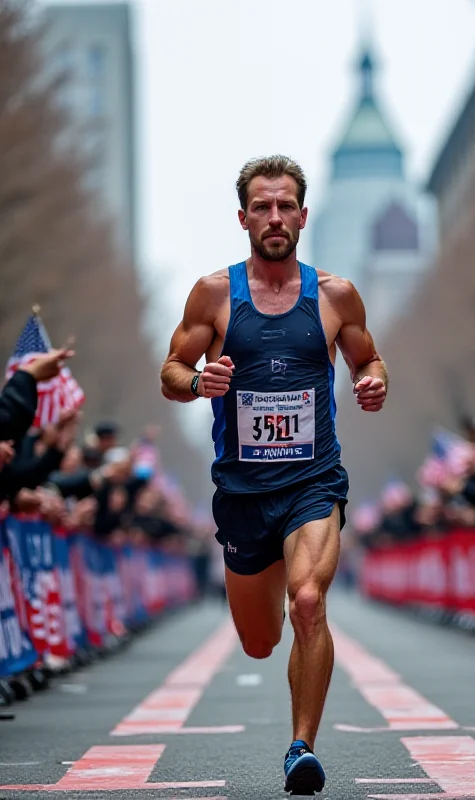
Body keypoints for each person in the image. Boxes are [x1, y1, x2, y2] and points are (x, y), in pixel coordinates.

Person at [160, 155, 387, 795]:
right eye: (263, 206)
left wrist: (373, 383)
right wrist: (198, 380)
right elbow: (170, 370)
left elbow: (371, 360)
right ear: (243, 218)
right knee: (261, 642)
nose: (276, 217)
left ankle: (301, 748)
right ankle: (279, 644)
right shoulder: (213, 293)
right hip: (241, 492)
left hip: (313, 481)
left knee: (309, 601)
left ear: (304, 215)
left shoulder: (335, 295)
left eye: (286, 205)